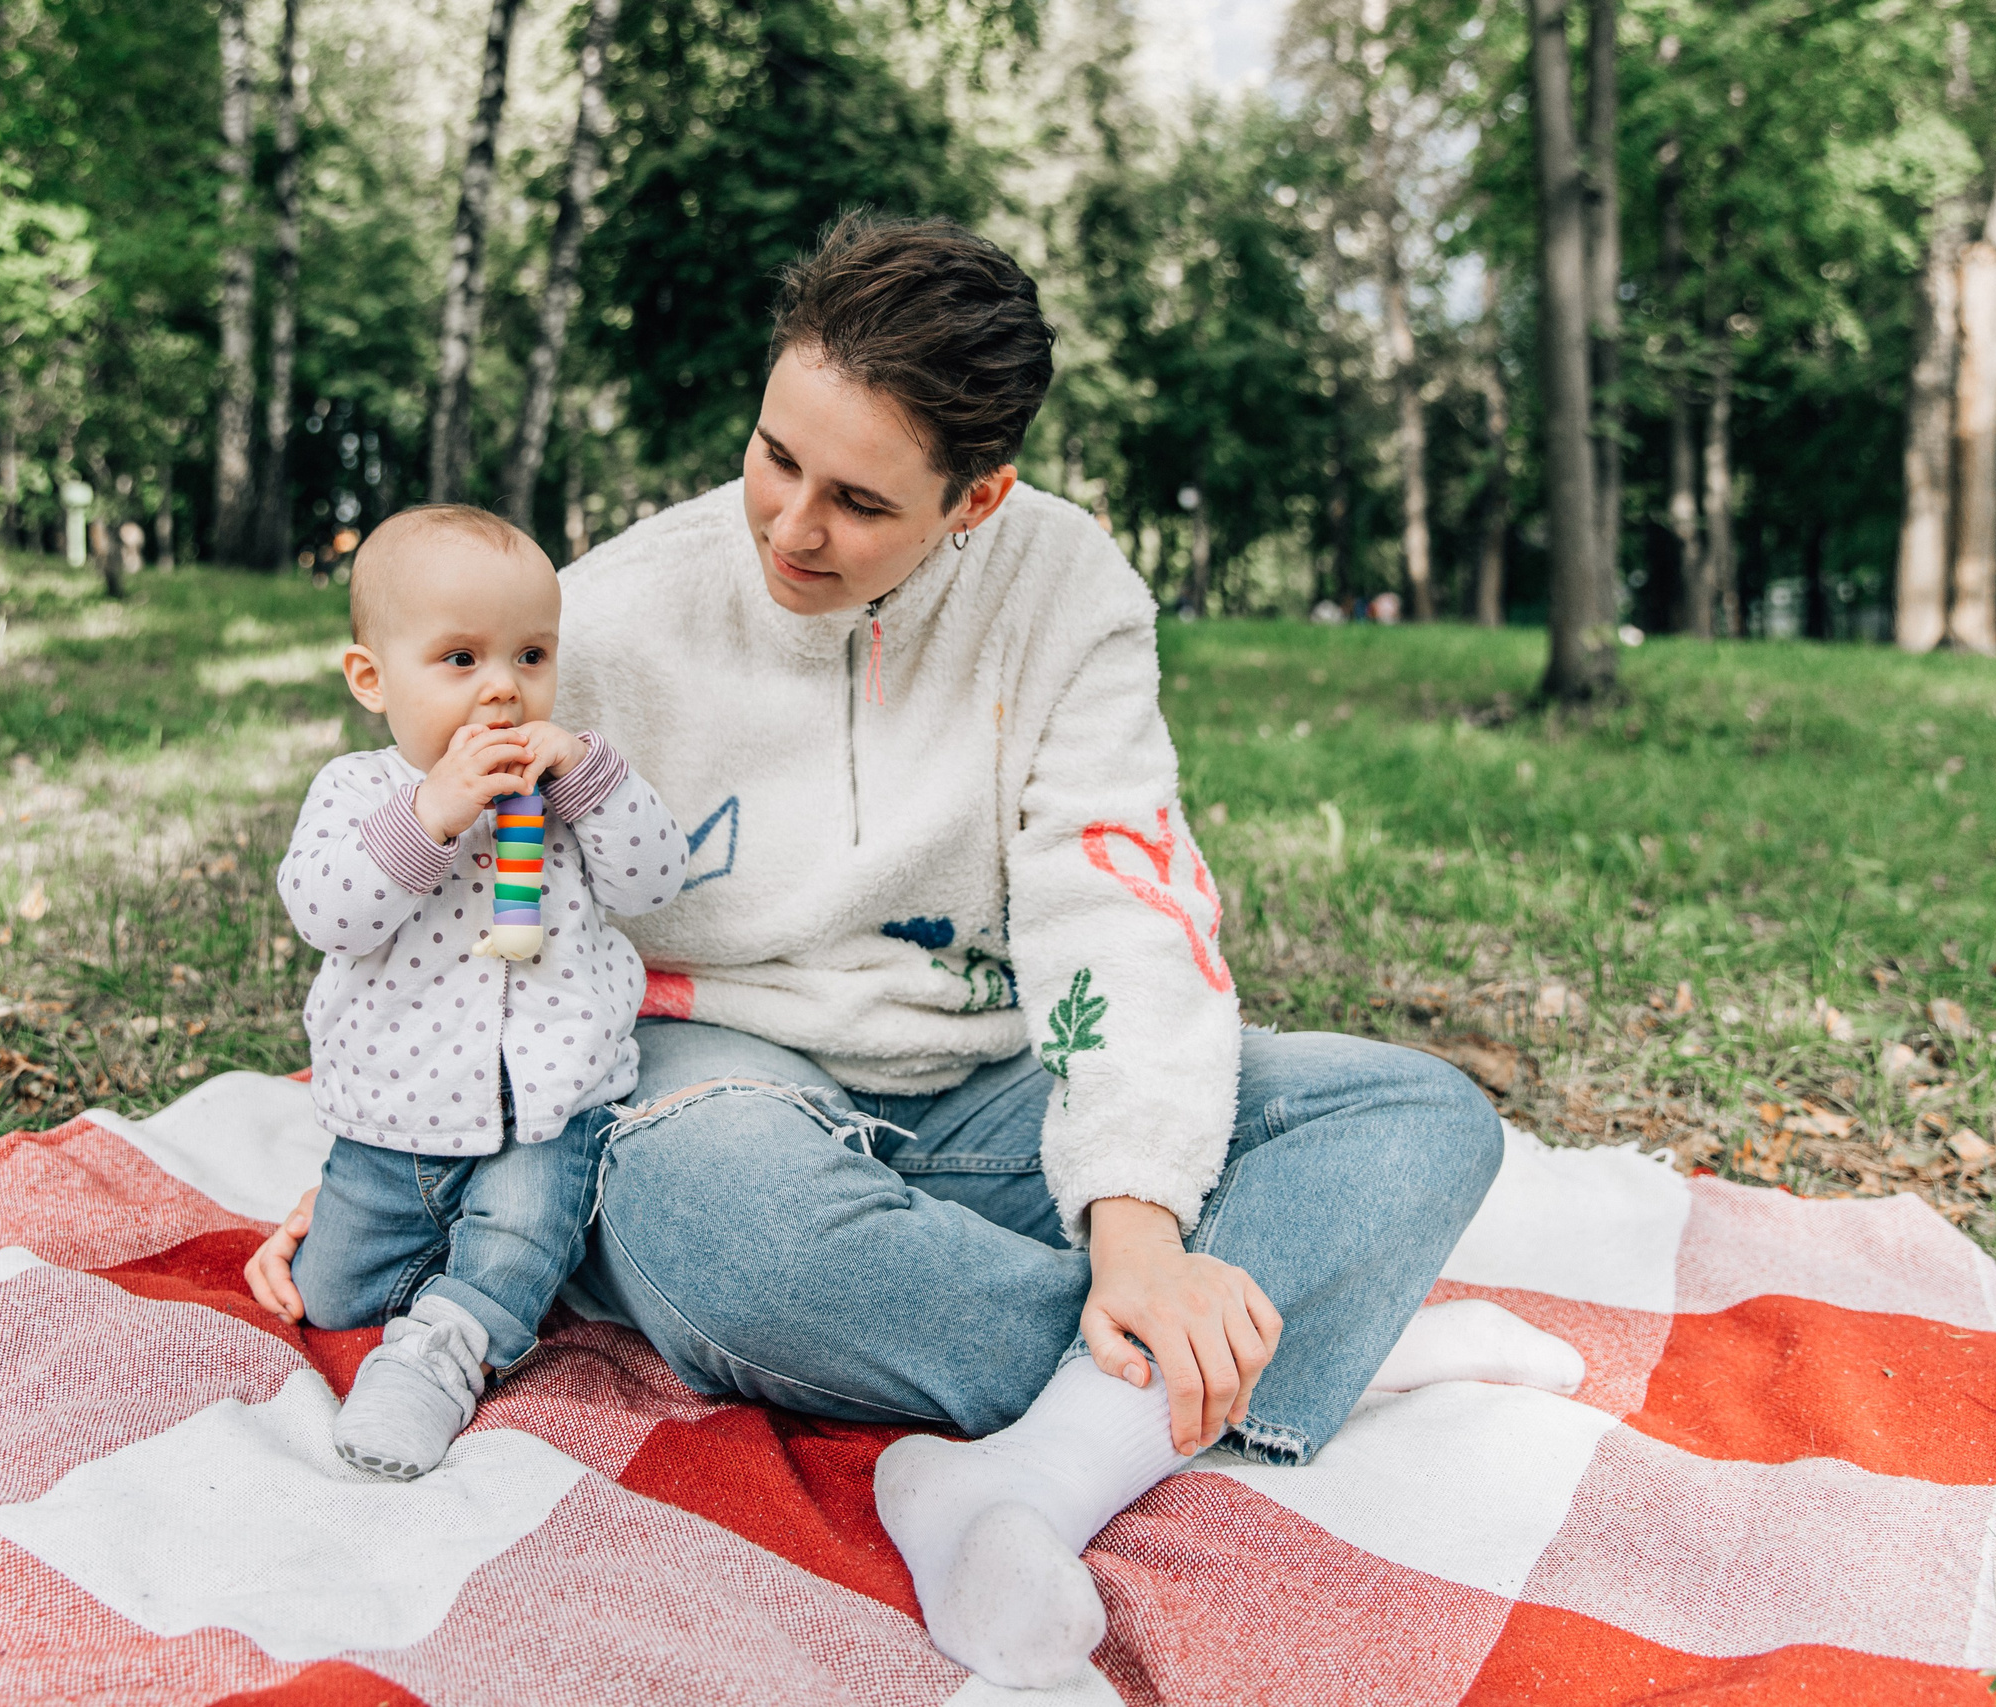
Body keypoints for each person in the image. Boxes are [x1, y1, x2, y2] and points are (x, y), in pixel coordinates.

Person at [249, 216, 1505, 1686]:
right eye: (775, 456)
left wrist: (1142, 1222)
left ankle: (1044, 1463)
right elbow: (449, 895)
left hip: (980, 1077)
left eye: (858, 499)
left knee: (1420, 1116)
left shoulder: (1068, 592)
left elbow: (1117, 897)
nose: (788, 526)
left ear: (978, 497)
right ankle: (1285, 1327)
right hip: (702, 1086)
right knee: (733, 1239)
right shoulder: (598, 614)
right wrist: (408, 1147)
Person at [274, 504, 683, 1480]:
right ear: (372, 679)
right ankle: (469, 1282)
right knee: (330, 1295)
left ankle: (446, 1351)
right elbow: (329, 913)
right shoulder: (356, 792)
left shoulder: (568, 788)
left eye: (530, 656)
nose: (503, 687)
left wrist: (591, 779)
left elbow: (655, 884)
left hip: (545, 1112)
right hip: (391, 1117)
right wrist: (434, 812)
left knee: (511, 1240)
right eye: (461, 660)